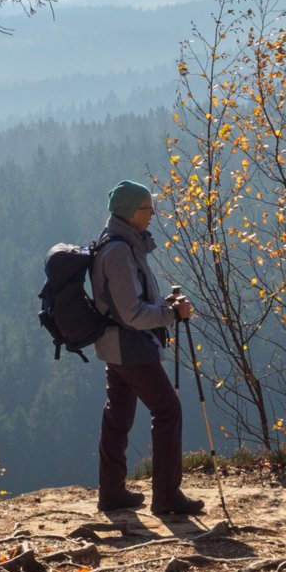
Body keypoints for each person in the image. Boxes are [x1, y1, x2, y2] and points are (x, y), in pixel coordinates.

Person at [90, 180, 206, 516]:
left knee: (118, 415)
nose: (153, 213)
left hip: (116, 345)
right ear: (130, 212)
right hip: (130, 346)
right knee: (168, 410)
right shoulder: (119, 251)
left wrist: (163, 303)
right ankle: (167, 497)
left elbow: (133, 299)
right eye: (147, 208)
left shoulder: (121, 243)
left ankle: (112, 493)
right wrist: (170, 313)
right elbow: (132, 313)